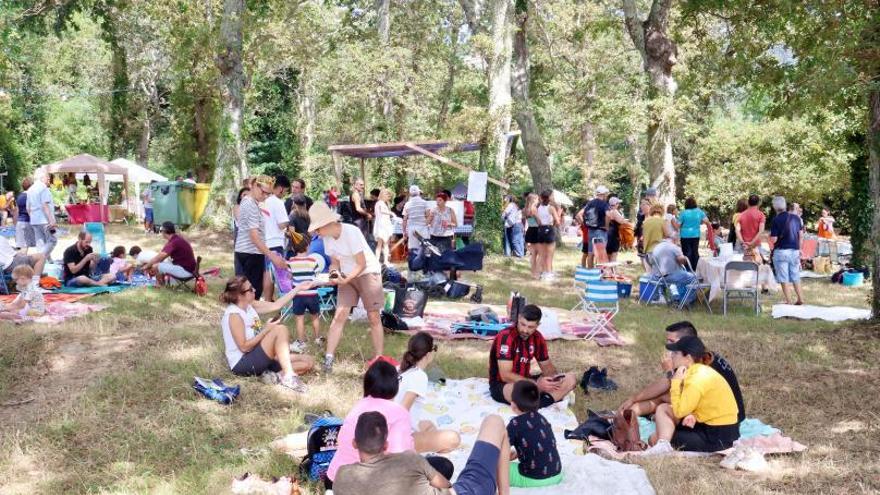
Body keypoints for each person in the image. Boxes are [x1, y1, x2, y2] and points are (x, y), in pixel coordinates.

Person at [333, 411, 512, 495]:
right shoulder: (409, 459)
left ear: (355, 444)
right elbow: (446, 486)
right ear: (386, 445)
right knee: (494, 421)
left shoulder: (342, 476)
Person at [617, 321, 745, 425]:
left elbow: (679, 393)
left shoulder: (703, 363)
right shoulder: (696, 355)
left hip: (724, 419)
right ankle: (632, 409)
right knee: (664, 392)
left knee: (665, 397)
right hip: (712, 409)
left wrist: (669, 372)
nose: (668, 346)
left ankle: (634, 412)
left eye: (672, 342)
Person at [309, 202, 385, 372]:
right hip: (347, 275)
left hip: (367, 272)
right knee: (339, 315)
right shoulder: (327, 239)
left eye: (317, 229)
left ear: (327, 224)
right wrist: (334, 274)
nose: (316, 234)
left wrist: (345, 279)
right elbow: (334, 263)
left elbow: (362, 263)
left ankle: (379, 358)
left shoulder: (351, 231)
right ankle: (329, 359)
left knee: (373, 316)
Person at [643, 335, 740, 454]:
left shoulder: (696, 379)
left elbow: (679, 411)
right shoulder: (700, 370)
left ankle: (662, 445)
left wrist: (675, 381)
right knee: (663, 409)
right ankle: (663, 444)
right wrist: (695, 415)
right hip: (723, 429)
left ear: (688, 358)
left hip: (716, 437)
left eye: (675, 353)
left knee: (653, 438)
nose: (671, 356)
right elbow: (695, 402)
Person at [219, 275, 314, 392]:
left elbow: (277, 305)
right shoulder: (234, 315)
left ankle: (275, 376)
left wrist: (298, 288)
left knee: (308, 361)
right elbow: (244, 347)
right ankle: (289, 377)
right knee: (280, 329)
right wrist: (266, 330)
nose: (254, 290)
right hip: (242, 363)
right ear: (239, 295)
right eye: (250, 289)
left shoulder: (249, 305)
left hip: (257, 354)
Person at [327, 361, 416, 483]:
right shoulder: (399, 413)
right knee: (442, 466)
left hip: (334, 478)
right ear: (395, 385)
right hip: (365, 485)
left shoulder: (359, 405)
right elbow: (401, 457)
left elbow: (341, 439)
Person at [489, 304, 577, 409]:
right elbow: (505, 375)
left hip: (528, 381)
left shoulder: (537, 338)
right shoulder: (506, 337)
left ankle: (533, 402)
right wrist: (536, 384)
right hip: (503, 385)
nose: (525, 330)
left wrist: (554, 379)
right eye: (522, 324)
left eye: (530, 327)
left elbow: (547, 367)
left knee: (570, 379)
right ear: (518, 318)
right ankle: (543, 400)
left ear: (537, 325)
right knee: (520, 392)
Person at [394, 332, 461, 453]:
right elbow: (401, 410)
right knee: (453, 439)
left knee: (429, 425)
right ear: (429, 354)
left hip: (383, 430)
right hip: (396, 438)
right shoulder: (419, 376)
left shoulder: (397, 369)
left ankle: (429, 447)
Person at [235, 176, 286, 300]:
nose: (265, 196)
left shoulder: (252, 202)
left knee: (248, 293)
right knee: (250, 294)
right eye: (263, 192)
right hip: (250, 254)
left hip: (249, 252)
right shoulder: (250, 204)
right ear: (254, 186)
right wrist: (272, 256)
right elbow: (254, 237)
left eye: (268, 194)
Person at [506, 380, 563, 487]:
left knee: (494, 466)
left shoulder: (514, 424)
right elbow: (538, 442)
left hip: (533, 479)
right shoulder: (542, 419)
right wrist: (519, 453)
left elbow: (500, 451)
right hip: (556, 475)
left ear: (513, 405)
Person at [287, 240, 324, 354]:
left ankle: (301, 341)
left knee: (299, 318)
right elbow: (317, 276)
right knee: (315, 316)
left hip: (298, 295)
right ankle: (317, 338)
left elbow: (289, 276)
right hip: (312, 293)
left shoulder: (291, 261)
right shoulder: (313, 260)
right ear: (307, 246)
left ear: (293, 248)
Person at [261, 175, 291, 301]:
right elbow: (281, 224)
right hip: (275, 242)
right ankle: (271, 300)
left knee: (267, 271)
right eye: (286, 191)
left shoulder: (265, 201)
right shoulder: (278, 203)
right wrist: (288, 223)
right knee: (277, 274)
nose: (285, 194)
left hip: (264, 242)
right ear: (281, 189)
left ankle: (268, 299)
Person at [770, 196, 804, 305]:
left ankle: (788, 301)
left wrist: (768, 238)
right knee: (795, 275)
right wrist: (799, 249)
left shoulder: (776, 220)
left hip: (781, 251)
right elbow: (801, 236)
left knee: (783, 277)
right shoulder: (796, 218)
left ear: (775, 207)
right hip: (794, 251)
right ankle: (800, 298)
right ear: (785, 205)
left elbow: (774, 239)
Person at [650, 237, 697, 305]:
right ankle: (686, 301)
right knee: (694, 278)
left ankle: (676, 297)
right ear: (674, 240)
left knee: (682, 274)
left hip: (656, 276)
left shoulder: (657, 246)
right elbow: (681, 260)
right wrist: (684, 258)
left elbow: (651, 262)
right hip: (668, 276)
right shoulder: (674, 247)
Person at [575, 185, 610, 268]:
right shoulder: (604, 204)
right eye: (606, 194)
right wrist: (607, 226)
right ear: (603, 194)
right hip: (600, 231)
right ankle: (600, 274)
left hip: (590, 231)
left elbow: (578, 215)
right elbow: (608, 215)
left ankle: (590, 273)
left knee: (590, 253)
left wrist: (585, 225)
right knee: (600, 254)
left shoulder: (590, 203)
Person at [26, 174, 57, 261]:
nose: (49, 179)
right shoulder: (43, 188)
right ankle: (39, 259)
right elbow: (45, 205)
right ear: (41, 177)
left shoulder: (30, 189)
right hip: (44, 219)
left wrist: (32, 217)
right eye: (47, 177)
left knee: (40, 243)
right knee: (52, 240)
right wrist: (52, 221)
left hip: (35, 220)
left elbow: (28, 208)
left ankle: (47, 262)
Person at [677, 197, 712, 271]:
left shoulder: (683, 213)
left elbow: (678, 225)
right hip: (696, 234)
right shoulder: (699, 212)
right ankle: (696, 269)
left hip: (685, 235)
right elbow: (707, 221)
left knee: (686, 253)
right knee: (695, 252)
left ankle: (688, 269)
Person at [535, 190, 561, 281]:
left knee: (542, 254)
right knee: (549, 255)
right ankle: (549, 274)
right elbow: (558, 222)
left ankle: (542, 273)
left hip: (540, 229)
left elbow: (538, 221)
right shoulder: (551, 208)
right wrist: (559, 213)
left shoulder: (538, 207)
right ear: (549, 197)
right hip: (549, 230)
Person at [372, 188, 397, 264]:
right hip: (383, 226)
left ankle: (377, 260)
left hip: (380, 226)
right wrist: (391, 213)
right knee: (385, 244)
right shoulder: (380, 203)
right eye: (388, 197)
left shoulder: (378, 203)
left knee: (380, 245)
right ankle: (385, 261)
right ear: (384, 195)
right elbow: (382, 211)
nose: (389, 199)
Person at [402, 185, 429, 252]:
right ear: (419, 192)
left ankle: (414, 261)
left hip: (412, 229)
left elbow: (404, 220)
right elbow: (428, 216)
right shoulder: (424, 203)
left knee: (413, 250)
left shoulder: (407, 204)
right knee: (425, 249)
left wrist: (404, 232)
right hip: (423, 228)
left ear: (410, 193)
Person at [605, 197, 631, 262]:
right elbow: (621, 221)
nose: (619, 205)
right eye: (618, 203)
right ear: (615, 204)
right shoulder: (614, 211)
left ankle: (607, 271)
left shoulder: (607, 211)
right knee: (614, 254)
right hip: (614, 235)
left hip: (607, 234)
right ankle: (613, 271)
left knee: (607, 254)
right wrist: (628, 221)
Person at [523, 193, 543, 278]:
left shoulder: (525, 209)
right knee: (541, 254)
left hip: (530, 230)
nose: (538, 201)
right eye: (537, 199)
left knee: (533, 254)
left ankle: (533, 272)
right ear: (534, 200)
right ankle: (537, 273)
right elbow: (539, 221)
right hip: (536, 230)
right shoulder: (534, 209)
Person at [14, 178, 35, 254]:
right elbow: (30, 210)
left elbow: (16, 211)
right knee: (26, 247)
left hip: (20, 222)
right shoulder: (31, 196)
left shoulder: (19, 196)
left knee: (23, 247)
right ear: (31, 185)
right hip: (28, 222)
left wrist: (15, 224)